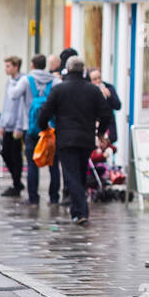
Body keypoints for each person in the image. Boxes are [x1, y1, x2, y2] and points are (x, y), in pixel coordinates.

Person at [36, 56, 112, 225]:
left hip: (66, 139)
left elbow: (44, 112)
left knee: (72, 176)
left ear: (67, 70)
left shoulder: (59, 90)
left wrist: (44, 128)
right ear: (83, 70)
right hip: (85, 139)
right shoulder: (92, 90)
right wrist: (99, 133)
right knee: (80, 174)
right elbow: (106, 113)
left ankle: (81, 211)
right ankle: (77, 211)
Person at [11, 54, 56, 205]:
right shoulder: (54, 80)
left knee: (32, 163)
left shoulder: (26, 80)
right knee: (53, 163)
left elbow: (13, 95)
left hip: (30, 128)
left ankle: (33, 197)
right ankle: (54, 197)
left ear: (32, 65)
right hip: (50, 129)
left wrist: (13, 81)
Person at [0, 56, 29, 197]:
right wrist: (2, 123)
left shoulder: (22, 82)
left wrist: (18, 126)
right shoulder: (8, 82)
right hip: (8, 124)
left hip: (17, 125)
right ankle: (16, 181)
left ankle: (17, 184)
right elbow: (6, 103)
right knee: (5, 153)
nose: (6, 69)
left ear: (16, 67)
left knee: (15, 155)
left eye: (9, 66)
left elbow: (21, 106)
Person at [88, 67, 122, 145]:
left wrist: (109, 96)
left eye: (99, 78)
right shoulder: (88, 90)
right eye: (94, 79)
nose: (98, 81)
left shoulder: (109, 87)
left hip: (108, 128)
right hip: (93, 128)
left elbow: (118, 106)